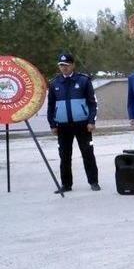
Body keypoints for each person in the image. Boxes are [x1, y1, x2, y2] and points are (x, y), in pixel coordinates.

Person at [46, 52, 100, 193]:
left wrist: (91, 121)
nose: (64, 68)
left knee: (87, 153)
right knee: (64, 156)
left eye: (66, 65)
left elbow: (92, 103)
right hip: (63, 126)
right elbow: (51, 106)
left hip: (82, 125)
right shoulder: (54, 83)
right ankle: (66, 185)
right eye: (61, 65)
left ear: (72, 65)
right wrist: (52, 124)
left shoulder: (83, 80)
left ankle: (93, 181)